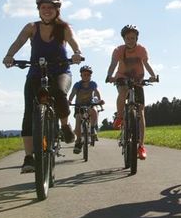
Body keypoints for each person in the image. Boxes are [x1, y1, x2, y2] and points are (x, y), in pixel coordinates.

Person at [2, 0, 83, 173]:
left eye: (50, 7)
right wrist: (9, 56)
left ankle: (64, 125)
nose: (46, 10)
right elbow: (19, 41)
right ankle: (29, 157)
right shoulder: (32, 27)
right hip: (36, 73)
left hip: (61, 70)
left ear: (57, 10)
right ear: (39, 10)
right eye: (43, 7)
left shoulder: (64, 28)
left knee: (60, 92)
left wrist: (77, 53)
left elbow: (73, 42)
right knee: (29, 112)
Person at [105, 24, 158, 159]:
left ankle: (141, 146)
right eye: (128, 38)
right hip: (122, 78)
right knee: (122, 92)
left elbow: (146, 63)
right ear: (124, 39)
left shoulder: (141, 50)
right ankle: (120, 116)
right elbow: (113, 64)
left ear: (137, 38)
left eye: (133, 38)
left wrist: (153, 76)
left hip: (138, 79)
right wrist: (109, 76)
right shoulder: (118, 50)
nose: (130, 40)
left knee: (140, 111)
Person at [68, 64, 103, 145]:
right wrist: (69, 101)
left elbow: (97, 92)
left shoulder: (92, 84)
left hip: (89, 104)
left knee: (94, 111)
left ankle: (93, 128)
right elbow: (72, 93)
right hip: (79, 106)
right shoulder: (78, 84)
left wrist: (100, 100)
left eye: (88, 75)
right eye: (84, 75)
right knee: (77, 126)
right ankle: (79, 140)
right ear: (81, 76)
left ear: (90, 76)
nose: (86, 76)